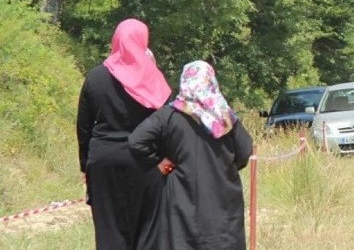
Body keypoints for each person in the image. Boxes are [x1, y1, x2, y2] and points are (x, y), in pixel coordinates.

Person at [129, 61, 253, 249]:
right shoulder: (225, 116)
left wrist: (159, 161)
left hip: (182, 203)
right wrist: (224, 167)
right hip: (222, 203)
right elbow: (245, 151)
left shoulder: (169, 115)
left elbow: (136, 141)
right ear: (211, 81)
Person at [77, 19, 172, 250]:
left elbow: (83, 127)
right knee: (146, 232)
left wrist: (85, 165)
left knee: (108, 230)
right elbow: (168, 124)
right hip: (145, 163)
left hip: (104, 162)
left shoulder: (96, 77)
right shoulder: (153, 79)